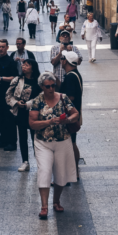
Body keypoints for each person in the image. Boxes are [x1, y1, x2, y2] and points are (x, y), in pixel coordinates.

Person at [28, 72, 79, 220]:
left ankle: (56, 201)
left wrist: (68, 120)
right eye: (48, 86)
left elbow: (75, 113)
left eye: (53, 85)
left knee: (61, 173)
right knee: (44, 170)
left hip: (63, 141)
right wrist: (48, 122)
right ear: (42, 87)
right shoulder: (37, 101)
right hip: (43, 142)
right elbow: (32, 124)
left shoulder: (63, 97)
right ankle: (44, 206)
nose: (51, 88)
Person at [5, 58, 40, 172]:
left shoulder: (39, 81)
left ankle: (40, 161)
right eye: (23, 65)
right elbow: (8, 95)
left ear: (32, 68)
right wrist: (16, 103)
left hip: (34, 113)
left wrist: (27, 105)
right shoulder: (18, 80)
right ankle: (25, 161)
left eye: (27, 65)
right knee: (23, 137)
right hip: (21, 113)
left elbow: (41, 98)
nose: (24, 67)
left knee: (36, 138)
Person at [59, 51, 84, 181]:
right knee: (72, 142)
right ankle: (75, 171)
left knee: (70, 143)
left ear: (66, 61)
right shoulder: (74, 74)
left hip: (70, 116)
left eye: (62, 58)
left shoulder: (70, 77)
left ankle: (73, 171)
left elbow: (70, 97)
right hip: (74, 114)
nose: (61, 60)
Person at [0, 39, 19, 151]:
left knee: (9, 118)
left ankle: (12, 142)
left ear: (7, 47)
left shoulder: (10, 62)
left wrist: (1, 78)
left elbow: (14, 77)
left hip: (8, 95)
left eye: (3, 47)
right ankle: (3, 139)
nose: (1, 49)